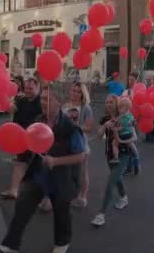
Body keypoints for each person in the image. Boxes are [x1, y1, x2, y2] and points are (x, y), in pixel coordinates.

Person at [0, 86, 86, 253]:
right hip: (39, 175)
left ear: (58, 102)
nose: (42, 102)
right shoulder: (38, 120)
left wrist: (56, 160)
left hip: (61, 178)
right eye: (42, 98)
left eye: (47, 99)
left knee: (61, 212)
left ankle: (62, 243)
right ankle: (10, 244)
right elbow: (32, 142)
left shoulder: (70, 128)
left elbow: (81, 156)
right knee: (23, 205)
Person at [90, 95, 136, 227]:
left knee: (110, 182)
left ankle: (101, 214)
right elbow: (99, 135)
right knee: (117, 178)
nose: (108, 104)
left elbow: (135, 137)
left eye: (111, 102)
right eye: (106, 102)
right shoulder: (104, 119)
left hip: (123, 155)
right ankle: (124, 197)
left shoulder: (126, 117)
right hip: (110, 154)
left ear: (117, 104)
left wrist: (122, 140)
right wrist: (105, 126)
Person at [0, 78, 42, 200]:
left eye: (31, 89)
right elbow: (11, 107)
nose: (28, 91)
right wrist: (10, 105)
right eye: (26, 88)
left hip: (36, 139)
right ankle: (14, 191)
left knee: (37, 167)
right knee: (19, 164)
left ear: (37, 88)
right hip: (21, 138)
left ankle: (43, 196)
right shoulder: (20, 99)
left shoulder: (42, 102)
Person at [61, 82, 94, 208]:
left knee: (83, 171)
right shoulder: (64, 107)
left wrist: (76, 127)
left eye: (78, 91)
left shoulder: (86, 108)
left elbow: (89, 127)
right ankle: (68, 194)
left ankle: (83, 196)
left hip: (80, 143)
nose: (74, 93)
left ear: (82, 94)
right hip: (65, 144)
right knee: (66, 171)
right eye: (73, 90)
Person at [110, 98, 138, 168]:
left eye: (120, 108)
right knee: (130, 144)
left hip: (122, 134)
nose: (119, 110)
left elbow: (118, 124)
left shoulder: (122, 116)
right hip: (130, 133)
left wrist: (115, 123)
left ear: (125, 108)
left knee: (114, 143)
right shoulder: (130, 115)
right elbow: (134, 123)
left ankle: (116, 158)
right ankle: (136, 155)